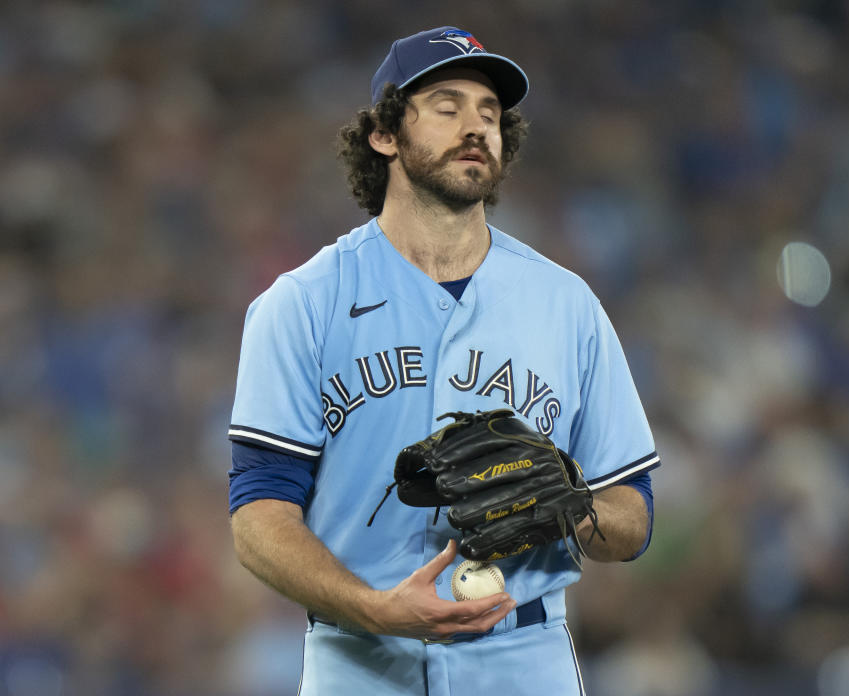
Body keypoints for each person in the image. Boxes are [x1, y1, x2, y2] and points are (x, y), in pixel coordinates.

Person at [227, 26, 660, 695]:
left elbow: (635, 514)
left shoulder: (565, 304)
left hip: (524, 656)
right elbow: (258, 518)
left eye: (490, 113)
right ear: (385, 134)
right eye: (448, 106)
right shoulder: (302, 304)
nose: (476, 126)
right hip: (361, 658)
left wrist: (572, 506)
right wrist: (376, 608)